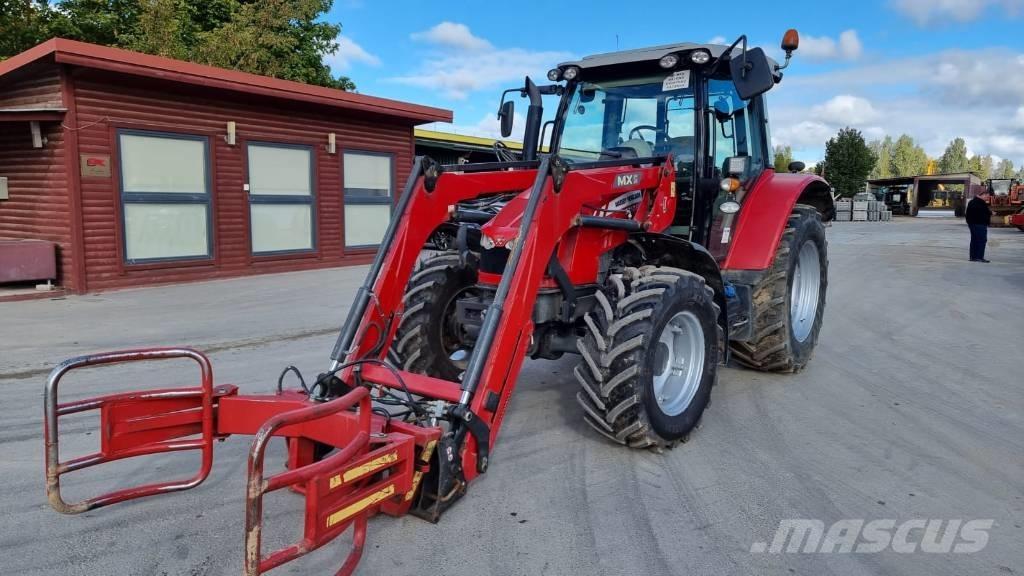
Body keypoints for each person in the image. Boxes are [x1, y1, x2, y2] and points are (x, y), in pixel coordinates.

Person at [964, 189, 992, 262]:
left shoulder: (972, 202)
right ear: (983, 195)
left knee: (974, 240)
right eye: (987, 196)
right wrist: (990, 213)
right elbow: (983, 213)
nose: (987, 198)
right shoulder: (980, 203)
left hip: (973, 224)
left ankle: (973, 257)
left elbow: (971, 213)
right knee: (981, 240)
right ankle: (979, 257)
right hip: (980, 224)